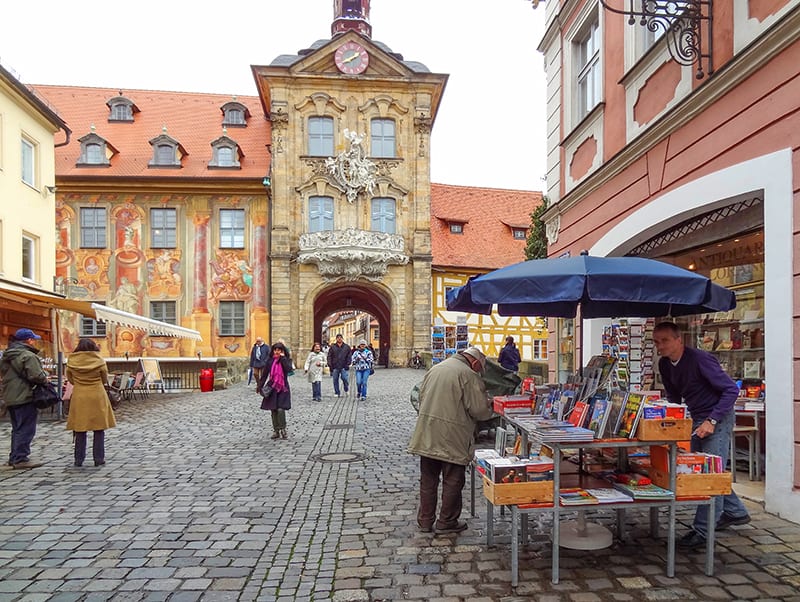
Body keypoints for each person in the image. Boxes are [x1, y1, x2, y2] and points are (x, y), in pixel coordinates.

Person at [653, 321, 751, 550]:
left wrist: (712, 420)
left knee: (708, 477)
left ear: (680, 340)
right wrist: (670, 421)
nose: (660, 346)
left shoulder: (700, 359)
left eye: (665, 340)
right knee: (706, 472)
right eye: (656, 341)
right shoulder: (665, 365)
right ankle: (736, 511)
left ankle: (701, 532)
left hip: (717, 417)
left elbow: (731, 390)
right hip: (696, 418)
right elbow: (674, 397)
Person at [407, 347, 493, 534]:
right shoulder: (468, 374)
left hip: (427, 431)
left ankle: (425, 520)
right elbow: (479, 410)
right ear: (476, 363)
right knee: (453, 479)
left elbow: (420, 397)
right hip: (453, 435)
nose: (479, 372)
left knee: (428, 479)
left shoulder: (436, 368)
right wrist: (489, 404)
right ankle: (447, 521)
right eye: (480, 369)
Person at [0, 328, 50, 469]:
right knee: (26, 428)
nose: (34, 341)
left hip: (10, 396)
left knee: (17, 428)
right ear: (28, 340)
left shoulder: (6, 355)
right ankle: (21, 458)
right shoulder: (27, 356)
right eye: (33, 339)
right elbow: (37, 376)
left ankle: (14, 457)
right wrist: (45, 379)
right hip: (25, 395)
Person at [65, 339, 116, 467]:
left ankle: (78, 459)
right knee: (99, 429)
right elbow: (105, 378)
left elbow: (70, 380)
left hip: (80, 396)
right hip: (97, 395)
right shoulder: (99, 361)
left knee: (80, 428)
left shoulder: (71, 361)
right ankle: (99, 458)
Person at [258, 341, 293, 439]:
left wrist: (282, 358)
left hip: (283, 387)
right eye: (275, 350)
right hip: (272, 387)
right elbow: (264, 375)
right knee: (273, 409)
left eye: (279, 350)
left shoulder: (286, 360)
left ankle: (283, 429)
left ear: (282, 351)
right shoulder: (270, 361)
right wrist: (259, 386)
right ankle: (276, 430)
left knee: (281, 409)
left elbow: (289, 369)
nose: (277, 352)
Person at [327, 334, 351, 398]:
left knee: (345, 378)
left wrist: (348, 364)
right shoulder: (332, 347)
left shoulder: (347, 347)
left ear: (342, 339)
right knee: (335, 380)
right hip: (335, 366)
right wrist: (330, 364)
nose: (339, 339)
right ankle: (337, 392)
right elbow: (329, 356)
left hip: (344, 366)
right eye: (338, 338)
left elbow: (349, 356)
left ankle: (346, 389)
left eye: (340, 338)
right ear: (336, 339)